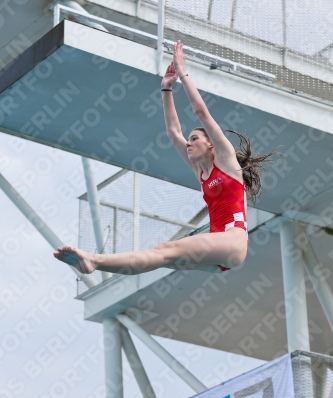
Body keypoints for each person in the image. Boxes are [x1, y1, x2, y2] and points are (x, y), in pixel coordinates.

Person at [54, 41, 277, 276]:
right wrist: (166, 89)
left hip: (233, 240)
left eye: (194, 139)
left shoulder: (227, 161)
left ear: (210, 143)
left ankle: (94, 259)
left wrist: (182, 72)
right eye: (188, 140)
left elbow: (201, 112)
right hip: (219, 252)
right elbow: (173, 131)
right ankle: (94, 263)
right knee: (161, 258)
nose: (188, 143)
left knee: (165, 250)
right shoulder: (200, 171)